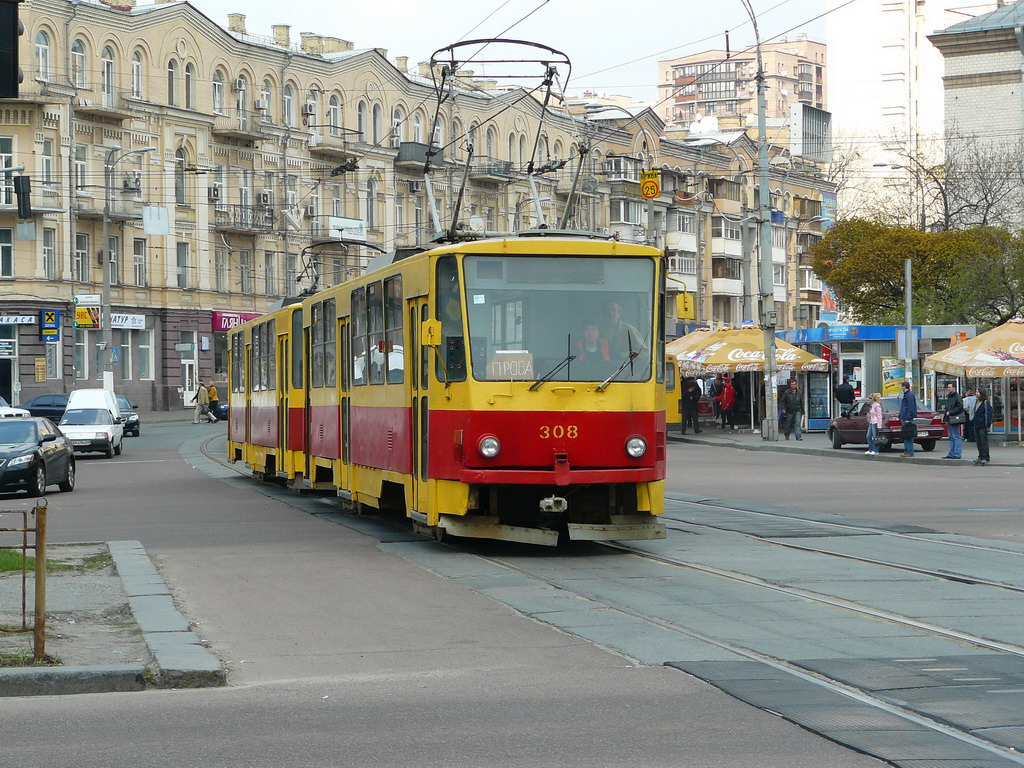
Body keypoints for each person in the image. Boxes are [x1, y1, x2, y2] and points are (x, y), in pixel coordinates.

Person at [942, 383, 965, 459]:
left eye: (950, 387)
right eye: (948, 387)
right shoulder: (950, 396)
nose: (948, 389)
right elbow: (947, 408)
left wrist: (950, 413)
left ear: (954, 388)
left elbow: (960, 407)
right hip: (950, 418)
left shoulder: (957, 396)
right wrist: (945, 417)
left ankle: (957, 453)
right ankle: (951, 453)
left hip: (954, 418)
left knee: (955, 436)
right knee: (951, 436)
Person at [972, 387, 994, 465]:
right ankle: (980, 456)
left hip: (982, 425)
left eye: (978, 392)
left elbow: (988, 414)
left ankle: (985, 457)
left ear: (982, 393)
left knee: (983, 441)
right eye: (976, 392)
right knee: (978, 442)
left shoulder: (985, 402)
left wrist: (987, 425)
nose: (976, 393)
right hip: (976, 425)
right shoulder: (976, 402)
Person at [898, 380, 918, 457]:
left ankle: (909, 451)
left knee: (908, 435)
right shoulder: (907, 394)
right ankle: (907, 451)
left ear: (904, 387)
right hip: (904, 416)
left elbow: (910, 407)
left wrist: (908, 417)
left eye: (902, 386)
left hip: (907, 417)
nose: (901, 388)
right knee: (905, 435)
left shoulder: (909, 395)